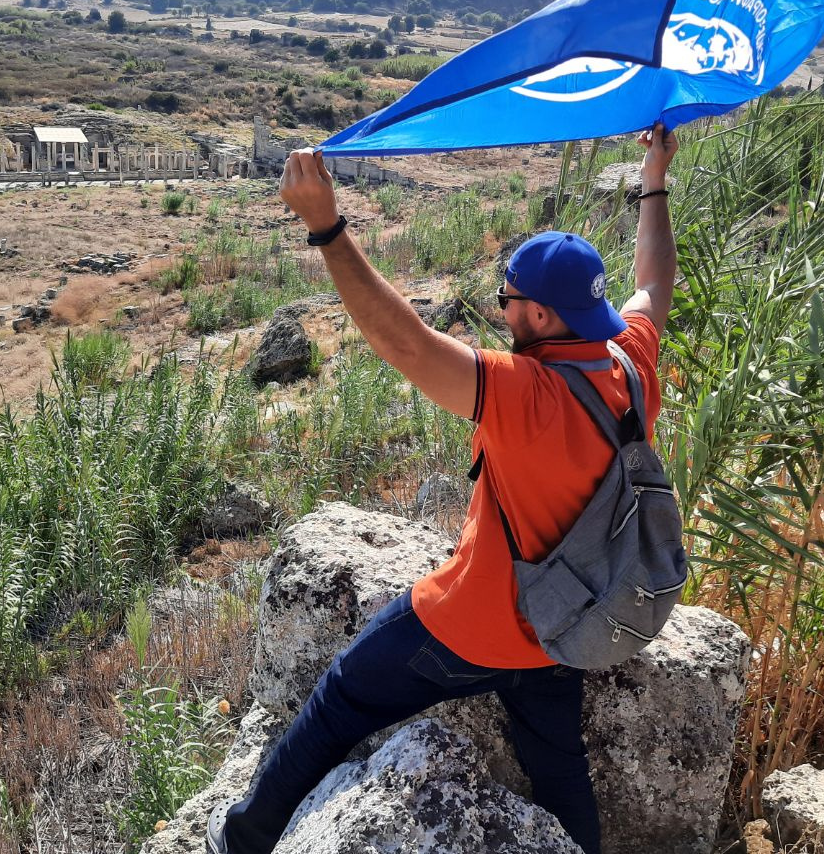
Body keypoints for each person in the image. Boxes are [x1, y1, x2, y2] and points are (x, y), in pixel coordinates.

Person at [208, 123, 680, 854]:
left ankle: (242, 839)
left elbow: (406, 345)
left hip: (476, 624)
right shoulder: (629, 363)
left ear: (544, 316)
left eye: (509, 300)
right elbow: (654, 283)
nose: (502, 311)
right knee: (559, 769)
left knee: (342, 697)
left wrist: (327, 228)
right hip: (564, 627)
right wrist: (655, 180)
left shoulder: (528, 392)